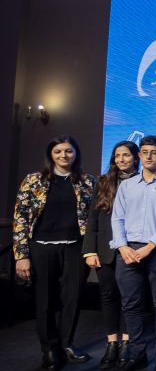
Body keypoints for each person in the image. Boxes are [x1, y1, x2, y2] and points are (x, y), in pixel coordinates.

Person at [13, 135, 96, 370]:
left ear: (76, 153)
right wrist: (22, 255)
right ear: (51, 154)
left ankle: (67, 343)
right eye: (58, 151)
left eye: (68, 151)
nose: (64, 156)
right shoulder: (33, 181)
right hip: (41, 247)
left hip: (76, 247)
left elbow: (94, 219)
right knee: (46, 300)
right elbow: (20, 219)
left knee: (73, 298)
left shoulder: (88, 182)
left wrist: (92, 249)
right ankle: (49, 348)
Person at [110, 135, 156, 371]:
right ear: (139, 155)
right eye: (144, 151)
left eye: (154, 152)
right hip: (128, 251)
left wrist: (150, 245)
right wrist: (122, 247)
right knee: (131, 306)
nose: (149, 155)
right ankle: (137, 354)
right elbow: (117, 217)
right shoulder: (126, 185)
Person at [82, 140, 139, 369]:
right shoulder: (104, 182)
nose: (121, 159)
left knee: (130, 298)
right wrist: (89, 250)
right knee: (108, 296)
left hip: (132, 249)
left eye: (126, 155)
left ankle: (127, 342)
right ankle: (111, 343)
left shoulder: (143, 180)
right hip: (104, 249)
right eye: (117, 156)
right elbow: (93, 218)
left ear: (135, 157)